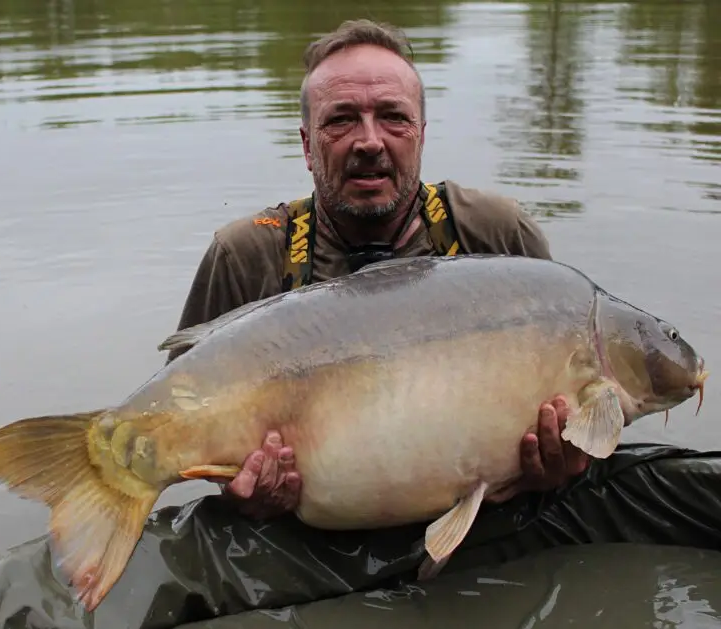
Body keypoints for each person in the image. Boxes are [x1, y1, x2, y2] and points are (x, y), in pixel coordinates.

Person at [167, 18, 590, 520]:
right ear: (307, 145)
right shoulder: (245, 256)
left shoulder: (498, 235)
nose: (370, 141)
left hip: (488, 521)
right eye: (342, 119)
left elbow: (573, 403)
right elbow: (181, 425)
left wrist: (563, 462)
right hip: (315, 531)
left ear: (421, 135)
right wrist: (243, 491)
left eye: (393, 117)